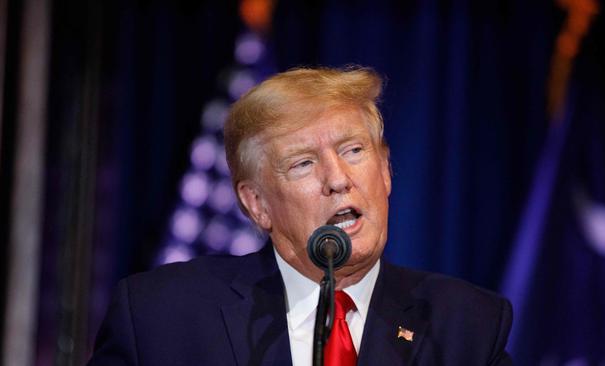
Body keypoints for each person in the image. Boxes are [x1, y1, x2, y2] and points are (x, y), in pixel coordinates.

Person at [88, 67, 513, 366]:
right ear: (257, 205)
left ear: (385, 170)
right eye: (303, 164)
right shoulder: (161, 317)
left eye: (353, 151)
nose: (338, 179)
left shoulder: (465, 325)